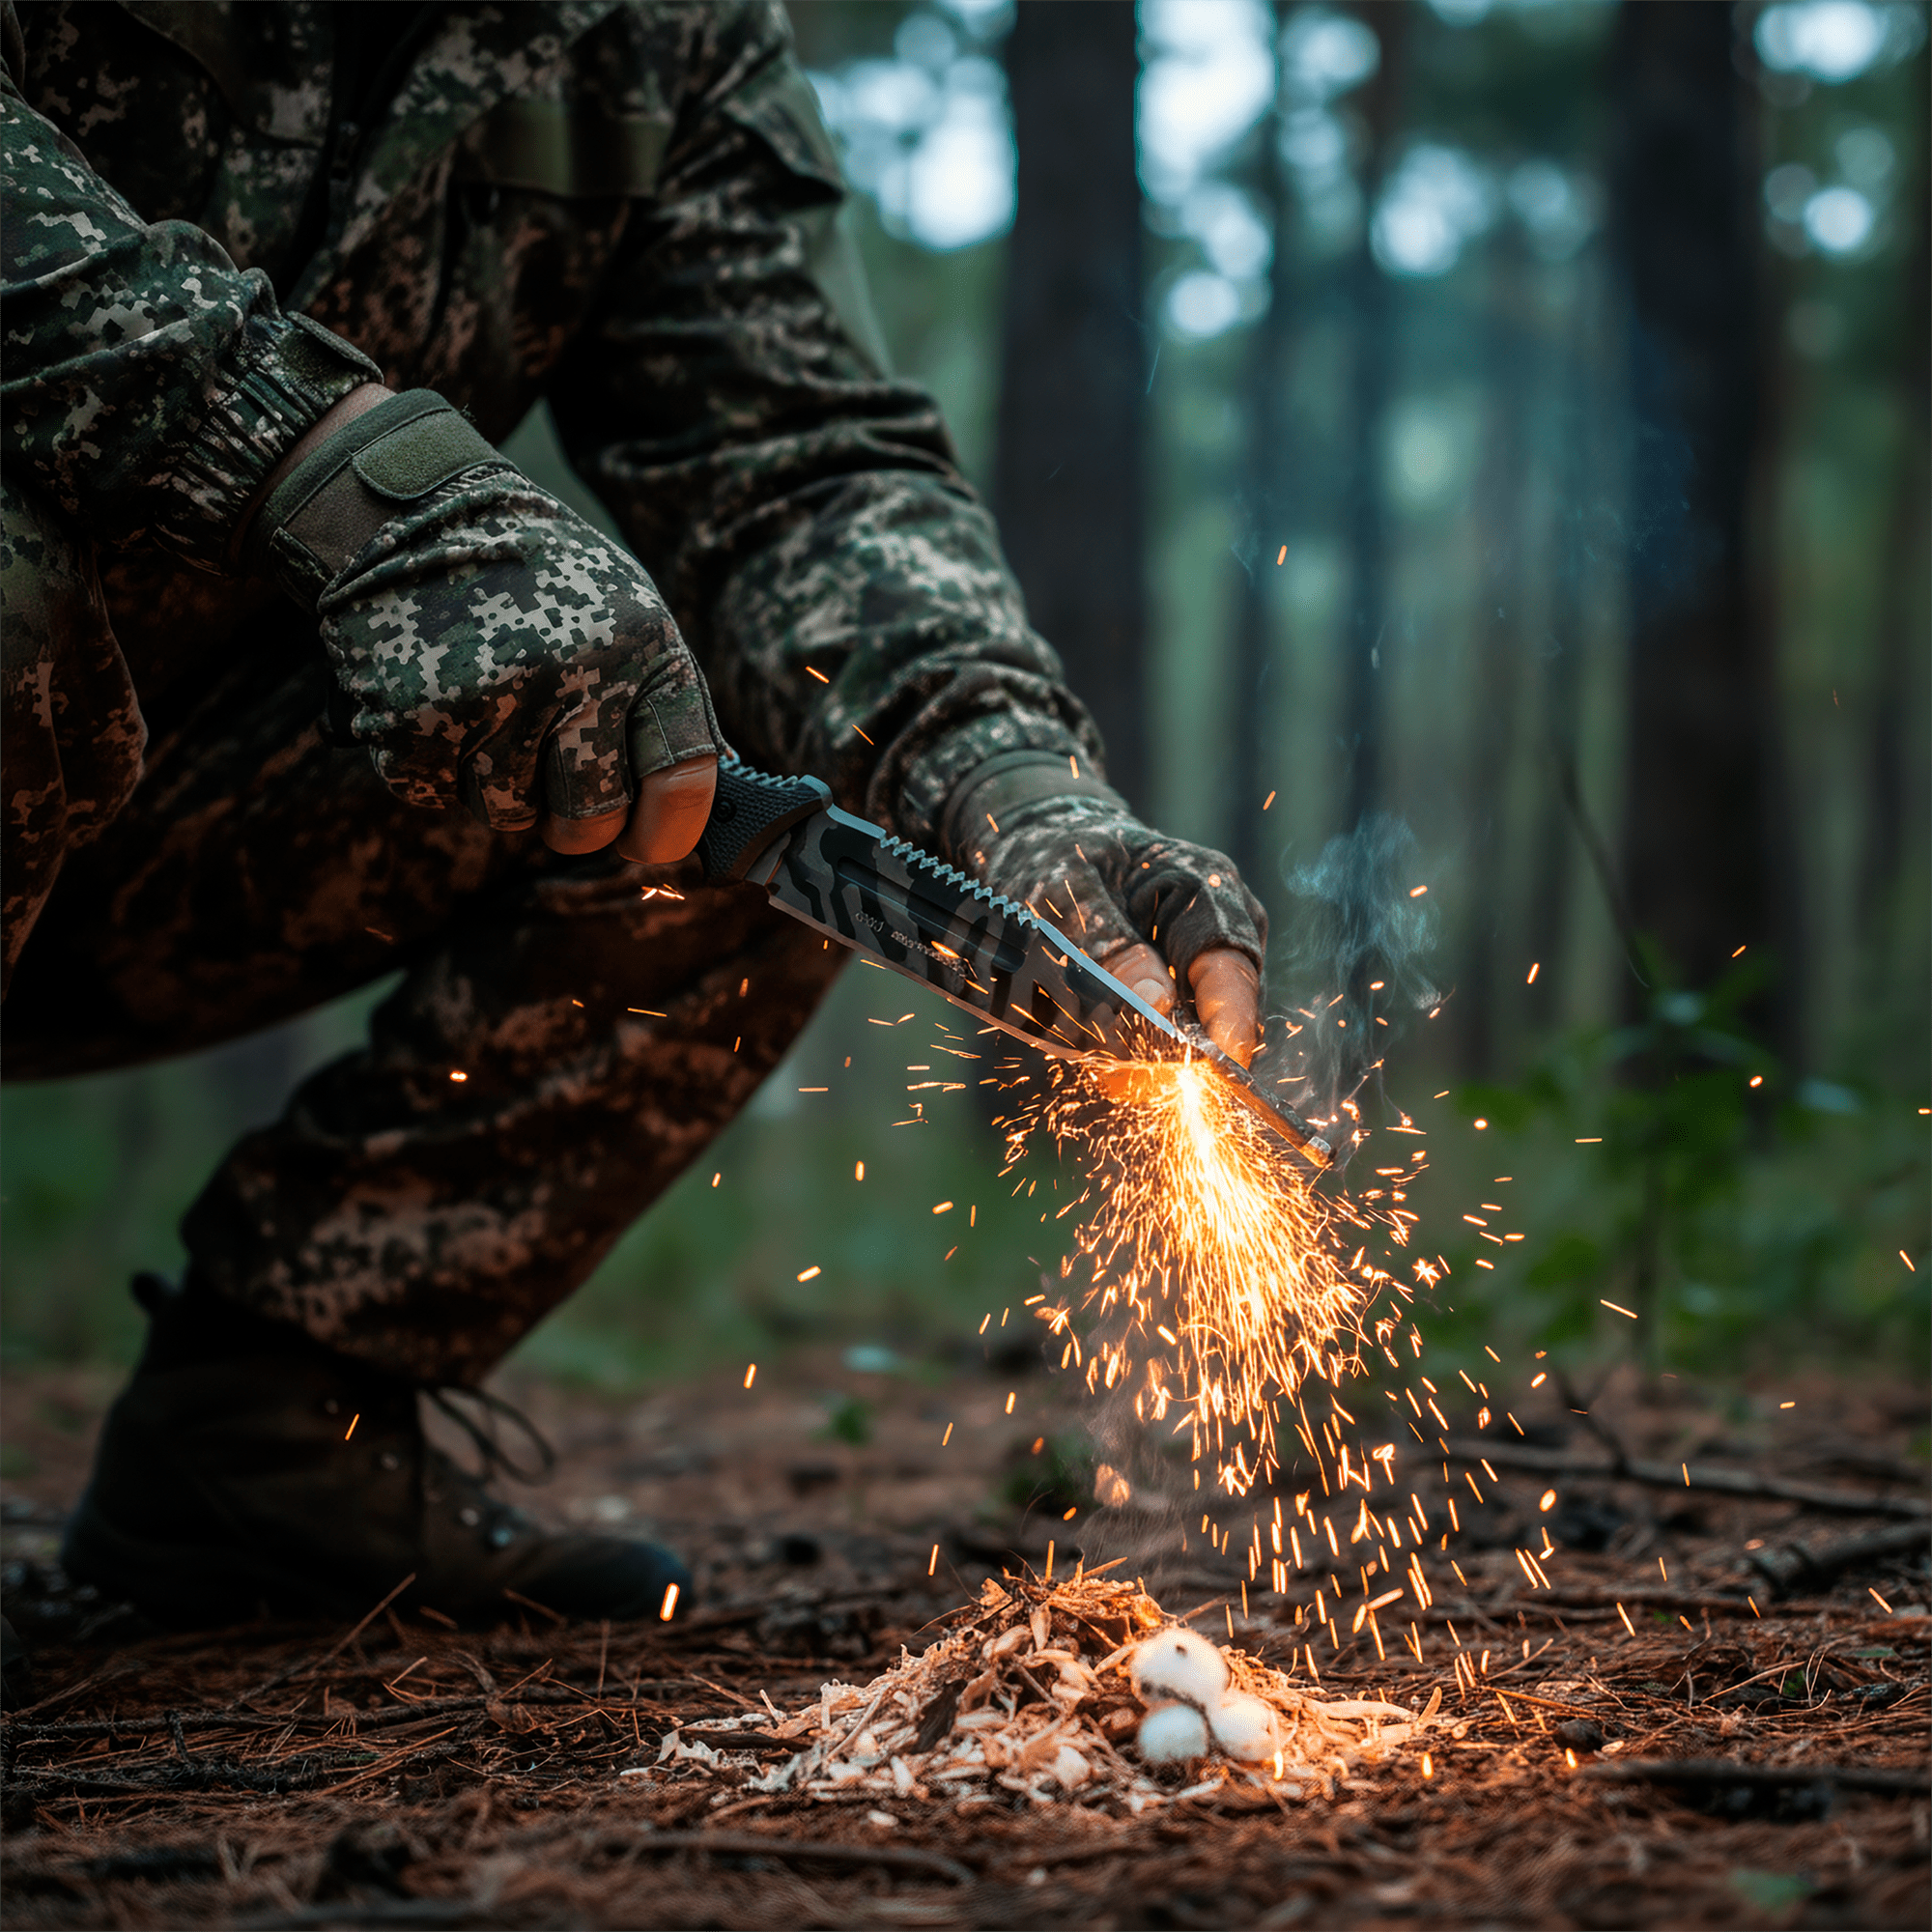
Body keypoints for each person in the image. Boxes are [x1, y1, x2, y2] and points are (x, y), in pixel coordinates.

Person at [0, 0, 1267, 1629]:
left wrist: (1011, 791)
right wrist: (333, 468)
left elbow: (791, 467)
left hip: (173, 824)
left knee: (729, 739)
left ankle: (264, 1438)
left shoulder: (654, 28)